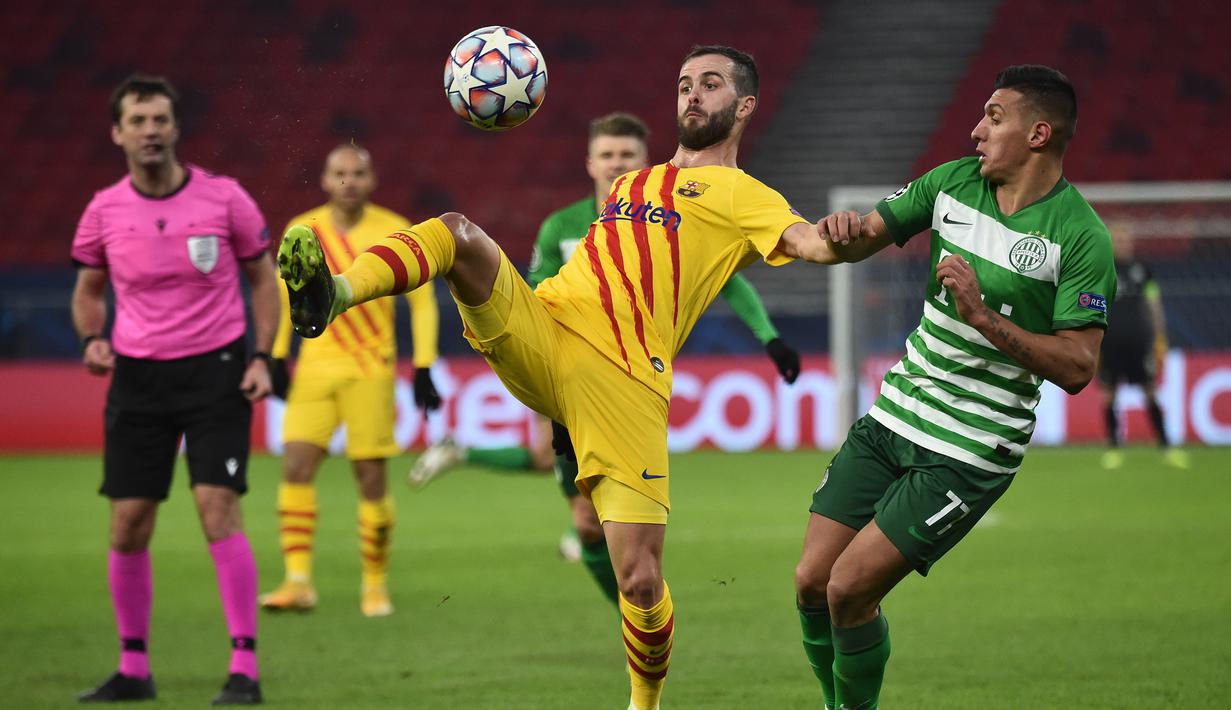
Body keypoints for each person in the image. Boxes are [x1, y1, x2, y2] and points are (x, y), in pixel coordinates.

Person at [278, 45, 844, 710]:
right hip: (547, 329)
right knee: (456, 233)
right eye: (684, 83)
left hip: (625, 384)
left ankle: (642, 702)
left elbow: (809, 243)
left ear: (743, 106)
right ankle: (334, 294)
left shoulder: (743, 194)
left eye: (710, 84)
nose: (691, 95)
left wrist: (851, 231)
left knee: (638, 578)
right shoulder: (633, 187)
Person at [793, 65, 1116, 710]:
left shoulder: (1079, 237)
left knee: (850, 590)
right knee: (810, 582)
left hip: (969, 452)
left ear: (1038, 134)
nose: (976, 131)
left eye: (995, 118)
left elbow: (1079, 367)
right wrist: (842, 232)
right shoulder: (951, 183)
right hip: (894, 418)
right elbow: (863, 240)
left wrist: (983, 316)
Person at [408, 112, 802, 600]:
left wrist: (770, 338)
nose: (617, 164)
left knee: (605, 524)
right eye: (608, 155)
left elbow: (730, 279)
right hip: (560, 353)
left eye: (628, 156)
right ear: (590, 164)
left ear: (644, 160)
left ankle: (637, 616)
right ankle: (630, 617)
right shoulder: (562, 227)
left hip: (629, 374)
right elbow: (533, 294)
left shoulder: (665, 210)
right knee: (585, 521)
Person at [70, 74, 277, 705]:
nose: (150, 131)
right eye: (138, 121)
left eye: (160, 119)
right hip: (138, 377)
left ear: (176, 127)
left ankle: (244, 668)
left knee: (218, 508)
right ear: (118, 133)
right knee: (129, 522)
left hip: (215, 371)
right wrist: (91, 340)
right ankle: (133, 668)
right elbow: (87, 292)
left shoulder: (225, 199)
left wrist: (262, 357)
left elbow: (264, 281)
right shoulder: (104, 209)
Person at [258, 144, 442, 617]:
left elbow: (421, 302)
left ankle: (375, 585)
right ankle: (298, 580)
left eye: (358, 172)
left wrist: (423, 364)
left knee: (370, 477)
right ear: (324, 178)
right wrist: (277, 355)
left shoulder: (394, 229)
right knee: (296, 465)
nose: (349, 181)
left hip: (370, 369)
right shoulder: (303, 228)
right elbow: (287, 298)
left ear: (371, 179)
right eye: (340, 173)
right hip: (316, 368)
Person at [1097, 220, 1188, 470]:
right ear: (1111, 241)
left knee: (1150, 392)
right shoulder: (1101, 270)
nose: (1124, 243)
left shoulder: (1143, 271)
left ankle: (1166, 446)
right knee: (1109, 394)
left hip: (1139, 341)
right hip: (1110, 342)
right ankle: (1114, 448)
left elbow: (1154, 305)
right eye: (1119, 238)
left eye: (1127, 239)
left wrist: (1159, 338)